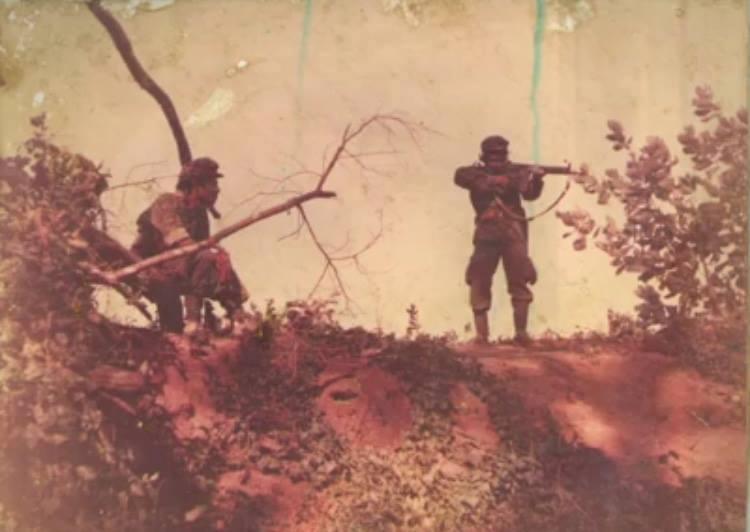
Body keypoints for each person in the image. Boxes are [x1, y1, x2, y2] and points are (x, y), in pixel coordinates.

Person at [131, 157, 250, 335]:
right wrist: (213, 253)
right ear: (195, 185)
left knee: (214, 261)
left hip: (179, 267)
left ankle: (237, 314)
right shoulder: (167, 202)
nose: (217, 189)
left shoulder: (199, 214)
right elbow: (181, 242)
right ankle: (193, 321)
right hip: (147, 269)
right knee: (207, 258)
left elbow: (198, 252)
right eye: (212, 183)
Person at [454, 136, 546, 346]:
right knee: (479, 279)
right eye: (492, 157)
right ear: (483, 157)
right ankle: (481, 336)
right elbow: (461, 176)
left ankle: (521, 334)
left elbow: (530, 195)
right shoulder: (475, 174)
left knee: (519, 278)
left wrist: (536, 179)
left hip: (513, 232)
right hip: (486, 233)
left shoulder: (515, 173)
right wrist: (497, 181)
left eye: (500, 156)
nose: (496, 160)